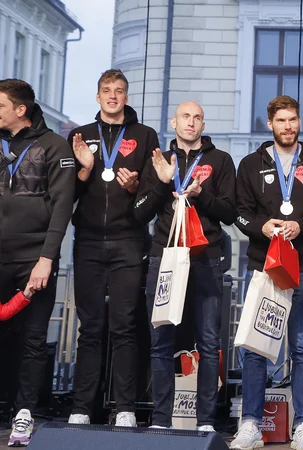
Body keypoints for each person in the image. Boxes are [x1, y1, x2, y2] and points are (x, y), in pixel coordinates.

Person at [230, 95, 303, 450]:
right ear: (269, 124)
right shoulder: (249, 164)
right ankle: (252, 424)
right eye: (281, 121)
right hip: (264, 266)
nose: (288, 127)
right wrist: (264, 227)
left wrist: (300, 227)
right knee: (255, 348)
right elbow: (238, 215)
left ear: (299, 122)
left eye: (293, 120)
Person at [133, 101, 237, 431]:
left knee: (208, 342)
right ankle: (161, 420)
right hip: (165, 258)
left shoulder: (220, 161)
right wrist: (164, 181)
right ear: (173, 120)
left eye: (197, 118)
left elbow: (230, 213)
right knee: (161, 340)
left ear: (203, 124)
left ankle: (205, 421)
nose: (191, 123)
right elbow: (139, 213)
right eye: (185, 117)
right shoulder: (161, 161)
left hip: (205, 259)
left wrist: (201, 194)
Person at [66, 69, 159, 427]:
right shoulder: (80, 137)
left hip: (128, 241)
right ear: (97, 96)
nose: (113, 96)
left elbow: (154, 194)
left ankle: (125, 409)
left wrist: (135, 189)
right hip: (88, 241)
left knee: (124, 326)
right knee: (90, 327)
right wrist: (85, 170)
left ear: (127, 96)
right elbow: (67, 198)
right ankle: (81, 408)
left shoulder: (144, 135)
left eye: (119, 91)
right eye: (107, 91)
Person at [0, 79, 75, 447]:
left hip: (35, 257)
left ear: (20, 110)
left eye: (0, 106)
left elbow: (62, 207)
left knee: (32, 338)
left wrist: (47, 259)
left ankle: (24, 413)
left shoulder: (54, 146)